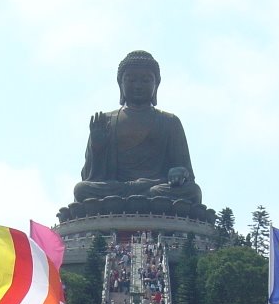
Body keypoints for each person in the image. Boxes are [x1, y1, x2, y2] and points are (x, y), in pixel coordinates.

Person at [74, 50, 202, 204]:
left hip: (156, 187)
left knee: (193, 192)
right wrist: (97, 147)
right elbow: (90, 177)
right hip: (117, 189)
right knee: (81, 190)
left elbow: (186, 174)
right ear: (120, 83)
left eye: (146, 80)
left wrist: (180, 172)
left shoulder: (169, 122)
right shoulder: (106, 121)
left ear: (156, 84)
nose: (138, 86)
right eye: (131, 80)